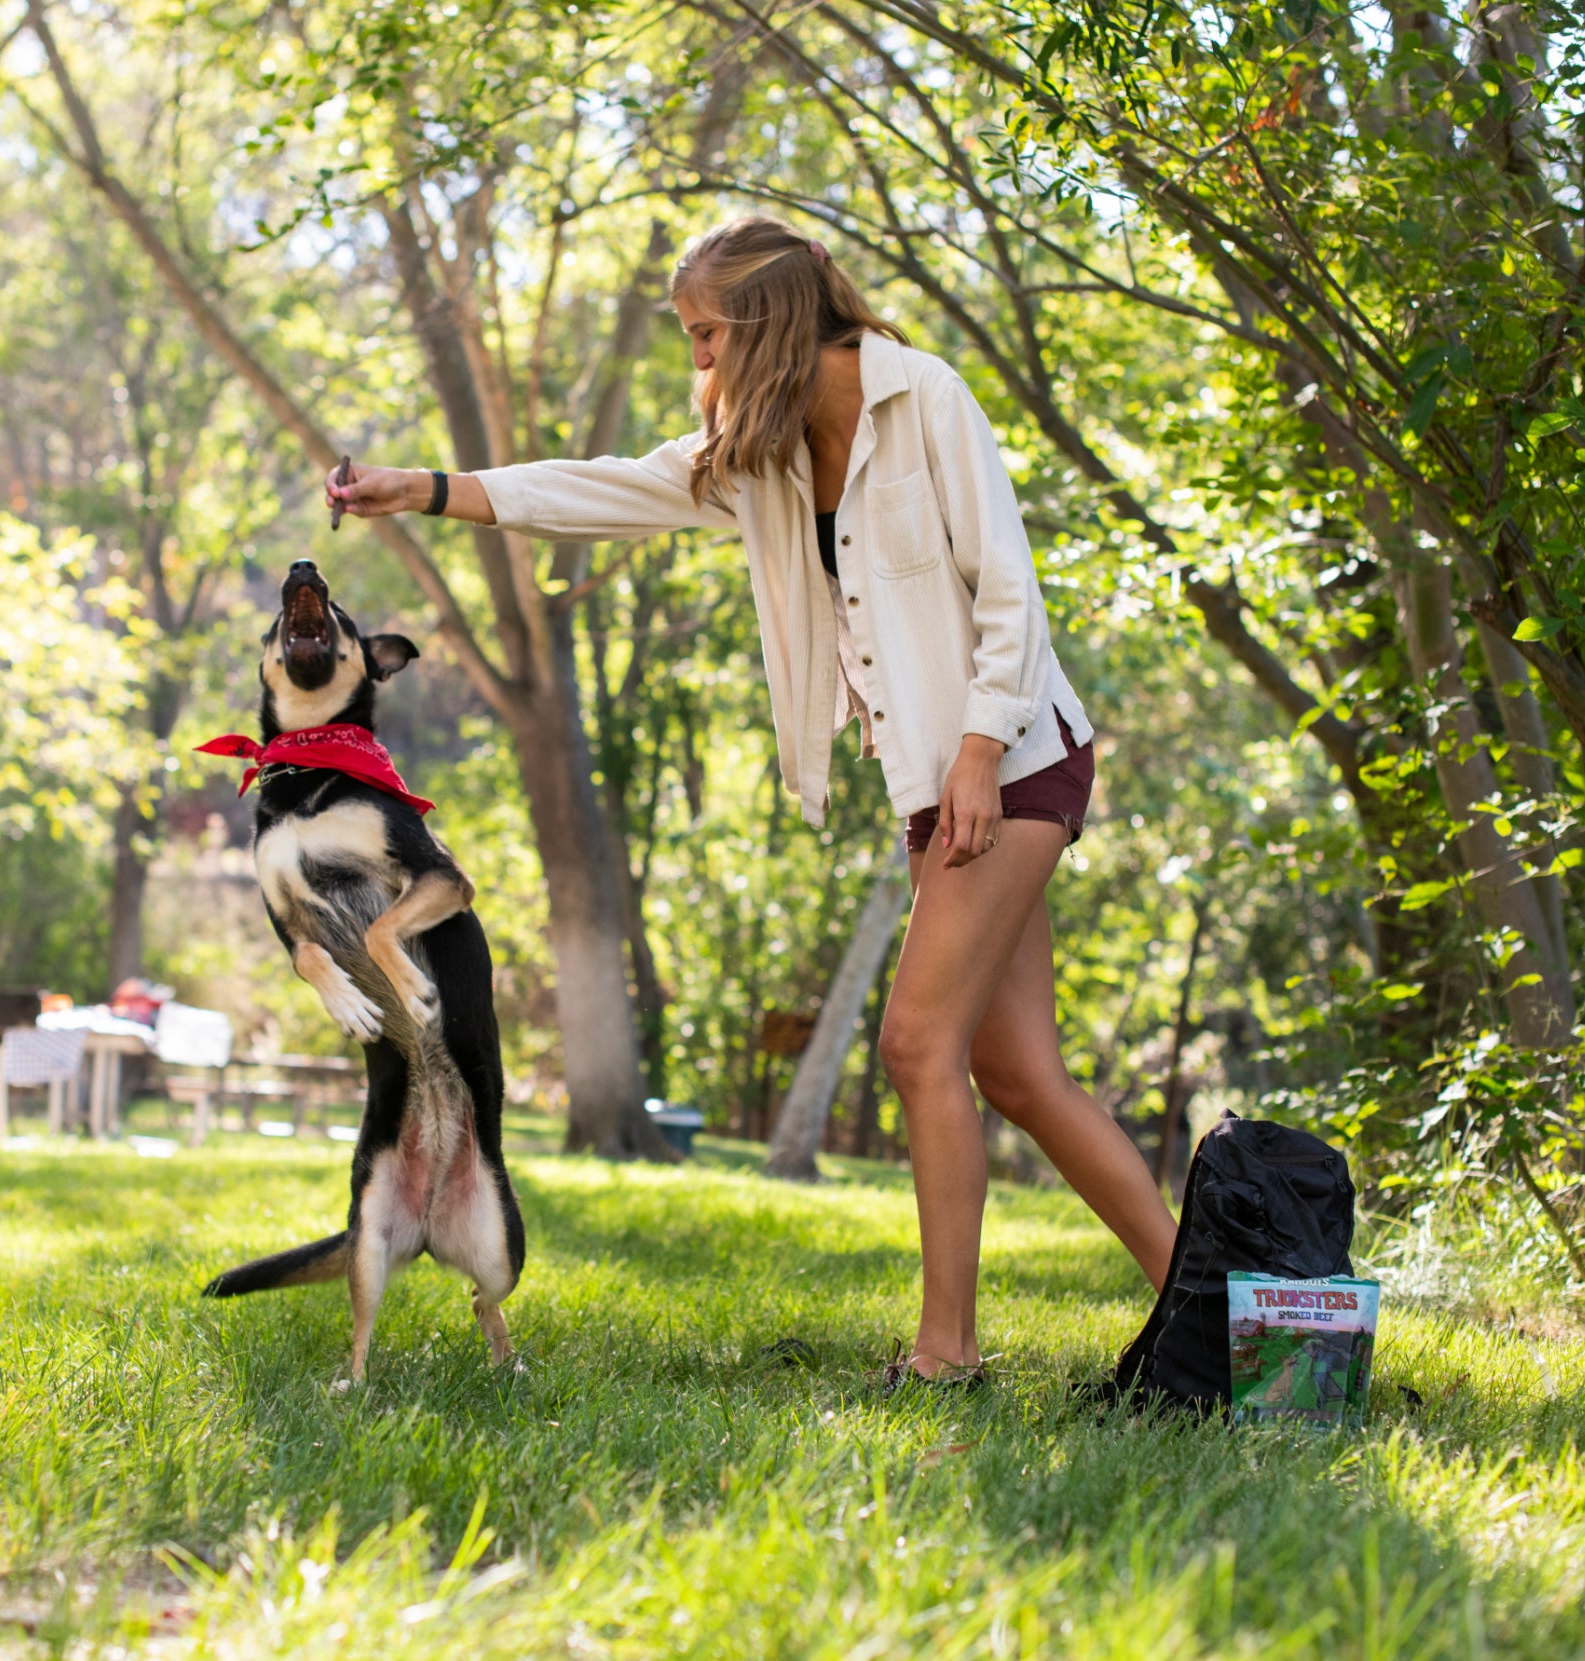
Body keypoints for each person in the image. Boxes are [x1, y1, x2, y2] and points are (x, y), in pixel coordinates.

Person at [327, 216, 1177, 1387]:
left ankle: (946, 1353)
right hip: (944, 785)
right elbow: (609, 488)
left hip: (1014, 755)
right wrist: (423, 487)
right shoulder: (764, 457)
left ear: (770, 321)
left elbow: (1008, 596)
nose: (699, 366)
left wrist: (979, 751)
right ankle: (1226, 1314)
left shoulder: (921, 398)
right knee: (1020, 1072)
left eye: (707, 336)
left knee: (918, 1043)